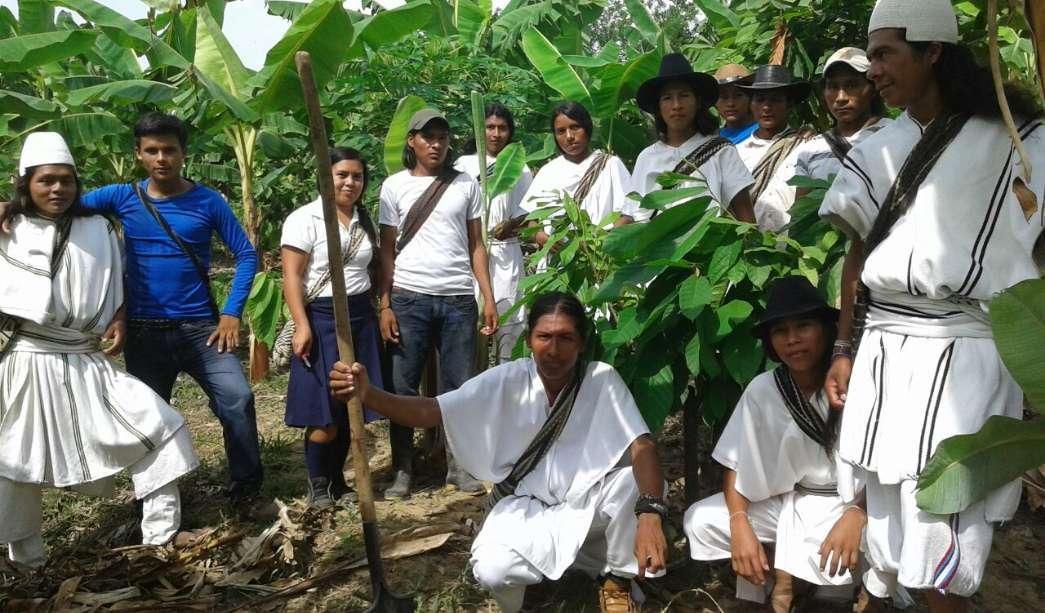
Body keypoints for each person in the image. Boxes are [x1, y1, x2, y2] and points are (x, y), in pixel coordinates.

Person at [819, 1, 1044, 610]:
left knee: (939, 531)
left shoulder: (1019, 143)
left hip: (967, 354)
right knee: (890, 536)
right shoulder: (878, 146)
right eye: (873, 58)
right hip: (885, 348)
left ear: (934, 51)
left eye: (888, 54)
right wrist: (845, 346)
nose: (875, 74)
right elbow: (857, 258)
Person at [329, 292, 668, 613]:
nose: (553, 349)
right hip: (526, 506)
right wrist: (368, 394)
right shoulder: (508, 380)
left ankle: (617, 580)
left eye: (565, 338)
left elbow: (642, 445)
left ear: (581, 343)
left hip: (587, 502)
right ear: (530, 339)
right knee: (493, 569)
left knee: (636, 485)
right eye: (543, 337)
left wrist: (650, 515)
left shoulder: (601, 379)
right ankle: (527, 589)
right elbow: (430, 410)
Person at [0, 133, 199, 568]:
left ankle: (159, 542)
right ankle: (26, 561)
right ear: (26, 184)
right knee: (15, 463)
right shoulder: (9, 228)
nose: (57, 189)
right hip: (28, 360)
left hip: (86, 358)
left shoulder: (98, 227)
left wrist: (120, 317)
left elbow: (116, 281)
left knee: (162, 428)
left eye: (66, 180)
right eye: (46, 181)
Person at [78, 112, 263, 505]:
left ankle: (246, 486)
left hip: (202, 328)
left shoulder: (208, 202)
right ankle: (156, 497)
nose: (161, 158)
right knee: (146, 418)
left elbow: (247, 255)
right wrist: (14, 207)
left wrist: (232, 313)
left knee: (238, 399)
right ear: (139, 154)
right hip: (144, 332)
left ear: (184, 154)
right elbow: (60, 205)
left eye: (169, 150)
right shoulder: (121, 197)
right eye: (152, 150)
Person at [685, 276, 864, 612]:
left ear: (826, 329)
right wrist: (740, 525)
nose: (792, 340)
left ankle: (844, 591)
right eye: (780, 331)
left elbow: (886, 464)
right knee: (701, 519)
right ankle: (781, 571)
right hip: (793, 503)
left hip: (854, 505)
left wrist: (857, 512)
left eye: (804, 326)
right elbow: (735, 463)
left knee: (889, 535)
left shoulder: (855, 381)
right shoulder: (763, 388)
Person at [378, 108, 499, 499]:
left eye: (443, 138)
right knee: (402, 385)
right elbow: (386, 252)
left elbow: (476, 245)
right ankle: (402, 469)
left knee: (459, 387)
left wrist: (488, 296)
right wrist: (385, 304)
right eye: (428, 137)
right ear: (411, 142)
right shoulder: (393, 187)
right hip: (409, 298)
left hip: (458, 299)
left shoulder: (466, 184)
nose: (436, 144)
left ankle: (459, 467)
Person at [280, 147, 384, 509]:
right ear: (326, 177)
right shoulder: (305, 219)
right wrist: (301, 325)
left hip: (360, 317)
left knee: (349, 405)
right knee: (324, 412)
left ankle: (338, 480)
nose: (350, 182)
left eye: (357, 176)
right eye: (342, 175)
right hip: (322, 318)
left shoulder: (362, 219)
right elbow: (292, 276)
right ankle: (318, 484)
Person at [756, 48, 891, 232]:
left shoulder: (895, 136)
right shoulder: (811, 149)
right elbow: (803, 216)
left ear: (873, 88)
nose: (841, 98)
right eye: (833, 87)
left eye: (852, 85)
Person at [631, 53, 756, 223]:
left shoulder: (721, 150)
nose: (676, 105)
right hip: (657, 247)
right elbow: (632, 213)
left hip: (710, 245)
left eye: (684, 95)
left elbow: (745, 214)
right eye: (667, 98)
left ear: (698, 102)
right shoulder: (647, 157)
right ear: (659, 107)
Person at [455, 103, 534, 362]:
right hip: (469, 252)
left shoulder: (518, 166)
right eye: (490, 127)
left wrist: (511, 225)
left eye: (502, 128)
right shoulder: (463, 165)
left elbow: (529, 213)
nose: (496, 134)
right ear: (481, 130)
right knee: (468, 327)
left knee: (510, 324)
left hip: (506, 252)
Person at [521, 102, 636, 250]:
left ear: (587, 128)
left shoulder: (610, 165)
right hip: (558, 259)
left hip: (600, 255)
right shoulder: (547, 172)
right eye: (561, 131)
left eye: (575, 127)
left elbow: (627, 215)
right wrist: (541, 237)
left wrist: (602, 244)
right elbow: (532, 222)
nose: (569, 136)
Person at [734, 65, 812, 221]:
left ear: (789, 104)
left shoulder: (807, 146)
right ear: (751, 105)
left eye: (775, 100)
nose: (766, 107)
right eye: (760, 100)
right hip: (748, 240)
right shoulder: (736, 153)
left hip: (791, 240)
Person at [716, 63, 759, 145]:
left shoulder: (763, 134)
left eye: (738, 95)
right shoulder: (712, 139)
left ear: (751, 97)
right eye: (724, 97)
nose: (730, 103)